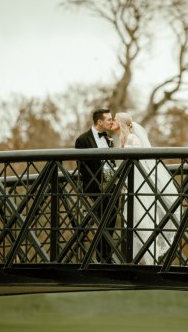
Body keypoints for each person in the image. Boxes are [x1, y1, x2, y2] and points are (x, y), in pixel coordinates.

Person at [111, 112, 179, 265]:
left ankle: (149, 258)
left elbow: (136, 164)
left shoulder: (132, 139)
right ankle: (137, 259)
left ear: (121, 122)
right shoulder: (121, 139)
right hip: (131, 185)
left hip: (139, 185)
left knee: (143, 219)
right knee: (133, 220)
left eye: (115, 119)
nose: (112, 122)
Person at [75, 108, 117, 263]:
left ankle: (105, 256)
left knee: (111, 221)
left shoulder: (108, 139)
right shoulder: (83, 139)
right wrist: (97, 184)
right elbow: (82, 166)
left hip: (112, 186)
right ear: (99, 122)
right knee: (101, 221)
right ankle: (100, 257)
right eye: (109, 119)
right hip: (95, 187)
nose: (111, 122)